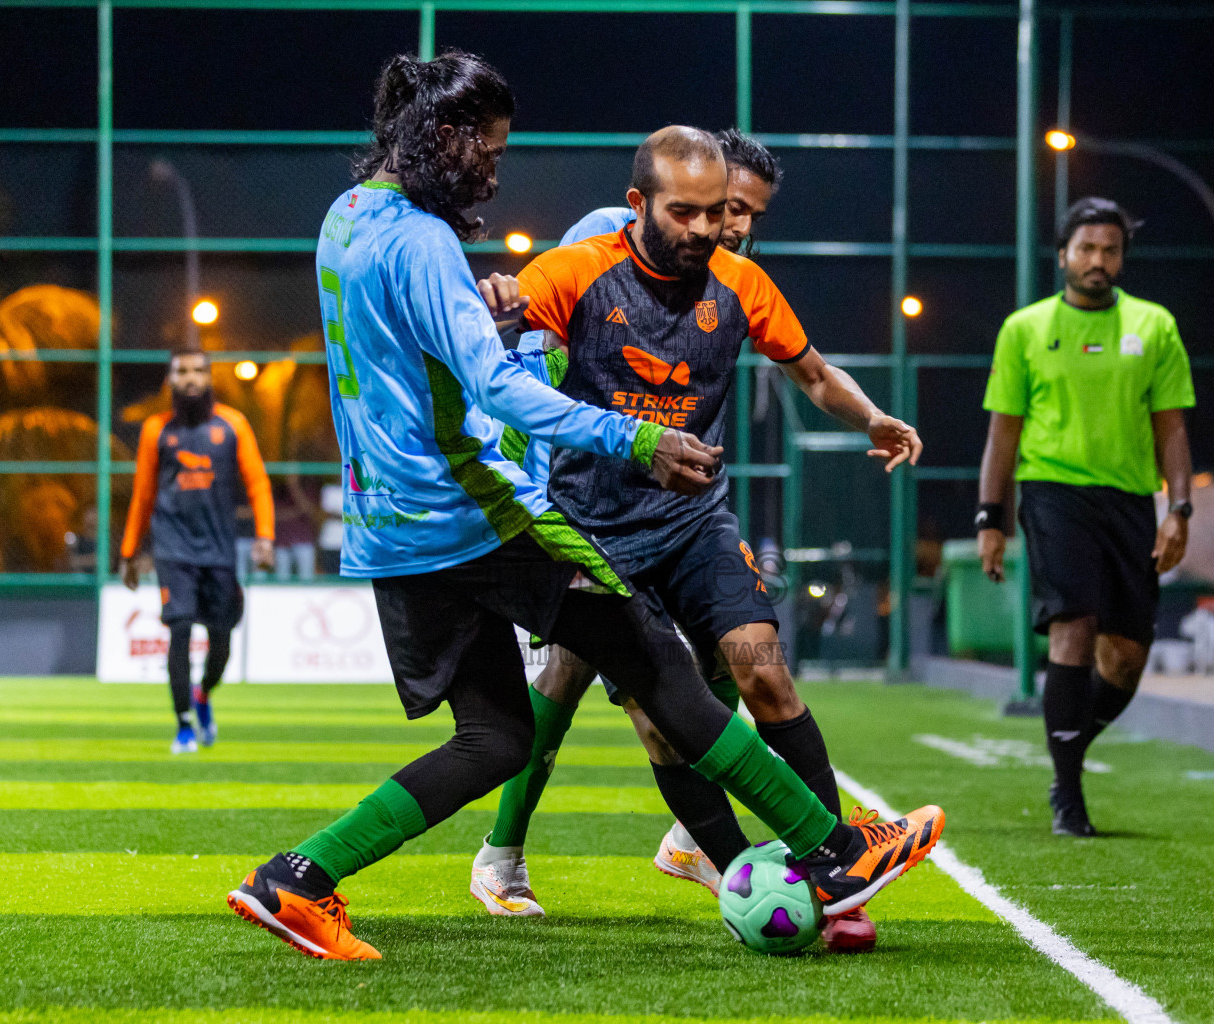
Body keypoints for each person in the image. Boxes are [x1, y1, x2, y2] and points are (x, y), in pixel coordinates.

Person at [224, 52, 943, 962]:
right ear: (443, 138)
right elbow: (495, 387)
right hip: (477, 515)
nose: (493, 170)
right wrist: (639, 438)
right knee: (657, 666)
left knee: (495, 736)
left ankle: (296, 878)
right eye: (486, 151)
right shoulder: (428, 244)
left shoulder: (346, 217)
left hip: (392, 527)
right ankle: (836, 850)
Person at [469, 126, 923, 955]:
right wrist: (493, 306)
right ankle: (727, 866)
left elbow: (814, 372)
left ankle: (837, 871)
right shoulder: (578, 268)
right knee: (650, 710)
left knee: (759, 666)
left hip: (693, 518)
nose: (717, 228)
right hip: (595, 526)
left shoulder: (742, 283)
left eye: (728, 213)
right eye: (701, 211)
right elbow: (480, 337)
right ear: (640, 205)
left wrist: (873, 417)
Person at [977, 197, 1195, 837]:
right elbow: (1002, 433)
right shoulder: (1024, 328)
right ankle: (1069, 796)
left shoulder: (1154, 326)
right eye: (1087, 249)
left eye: (1111, 250)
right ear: (1064, 254)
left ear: (1121, 257)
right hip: (1052, 493)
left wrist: (1178, 508)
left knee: (1125, 658)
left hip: (1130, 499)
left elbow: (1173, 428)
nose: (1099, 261)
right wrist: (992, 517)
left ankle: (1065, 751)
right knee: (1073, 627)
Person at [119, 349, 274, 753]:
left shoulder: (233, 424)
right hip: (173, 548)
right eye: (182, 372)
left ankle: (203, 694)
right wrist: (129, 550)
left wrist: (265, 536)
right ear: (170, 380)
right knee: (181, 628)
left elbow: (257, 483)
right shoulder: (156, 429)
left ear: (209, 378)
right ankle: (183, 724)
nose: (190, 379)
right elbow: (143, 494)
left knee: (221, 639)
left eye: (198, 371)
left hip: (220, 550)